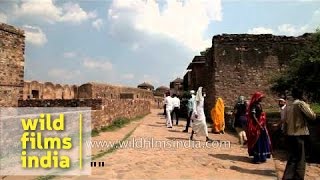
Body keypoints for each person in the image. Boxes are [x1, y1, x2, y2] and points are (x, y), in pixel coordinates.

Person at [283, 88, 317, 180]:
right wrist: (306, 104)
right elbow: (312, 116)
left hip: (290, 134)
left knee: (292, 157)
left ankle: (287, 177)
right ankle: (298, 178)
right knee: (301, 158)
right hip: (300, 134)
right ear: (301, 94)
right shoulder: (300, 104)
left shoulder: (289, 105)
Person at [246, 92, 271, 163]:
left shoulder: (259, 105)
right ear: (257, 98)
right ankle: (257, 158)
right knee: (257, 141)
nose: (262, 99)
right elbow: (253, 116)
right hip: (256, 126)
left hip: (261, 125)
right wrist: (259, 124)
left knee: (263, 140)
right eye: (261, 98)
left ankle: (262, 156)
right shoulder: (254, 105)